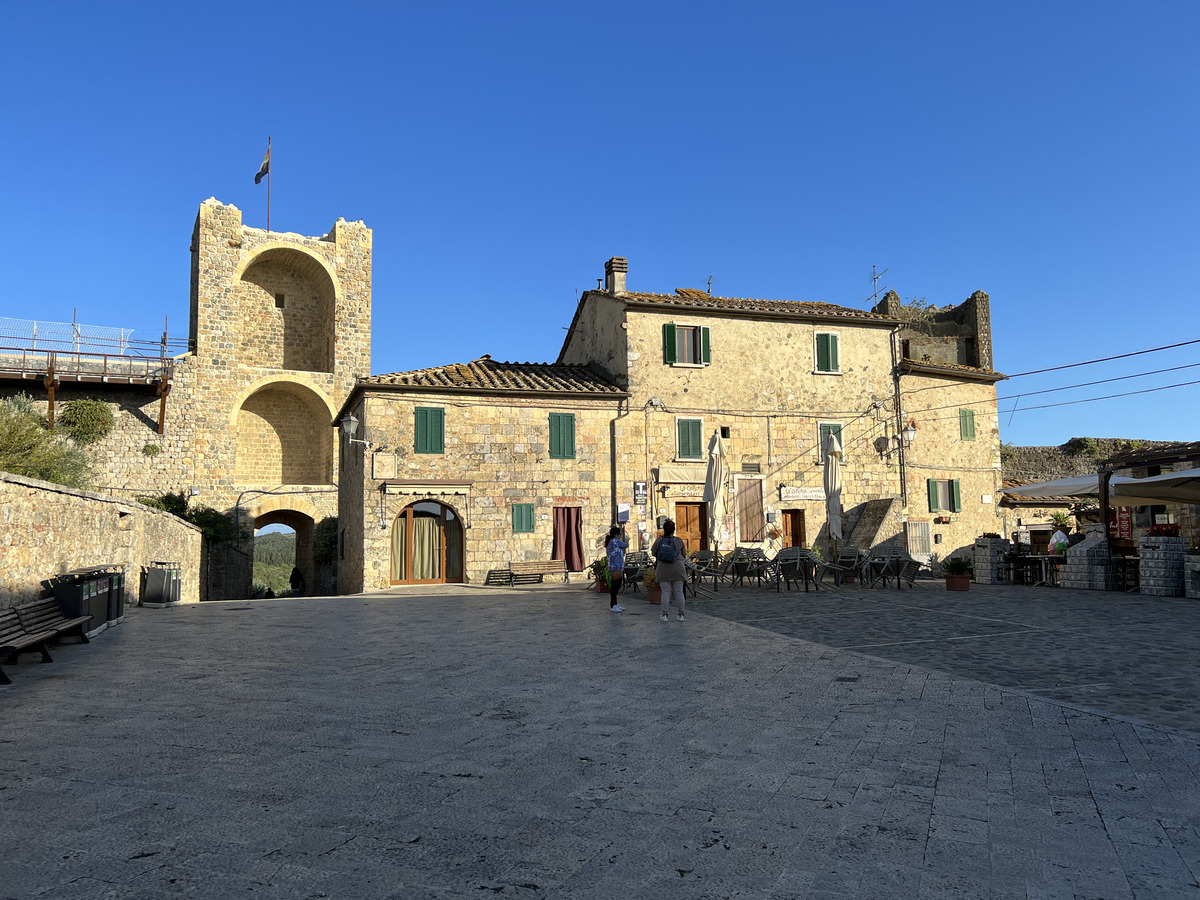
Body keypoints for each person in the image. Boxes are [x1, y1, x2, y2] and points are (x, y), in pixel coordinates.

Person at [651, 519, 687, 622]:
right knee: (679, 592)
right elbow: (684, 554)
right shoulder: (679, 540)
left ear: (664, 529)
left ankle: (665, 614)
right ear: (674, 530)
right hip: (678, 568)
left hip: (663, 568)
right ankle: (681, 615)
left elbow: (654, 552)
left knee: (665, 592)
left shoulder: (659, 540)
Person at [604, 525, 627, 612]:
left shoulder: (611, 542)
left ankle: (615, 604)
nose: (620, 536)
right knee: (615, 586)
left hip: (615, 566)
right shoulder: (615, 542)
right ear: (616, 535)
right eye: (620, 534)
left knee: (616, 586)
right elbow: (626, 545)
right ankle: (613, 605)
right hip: (616, 566)